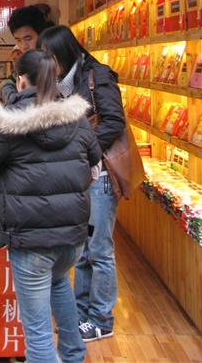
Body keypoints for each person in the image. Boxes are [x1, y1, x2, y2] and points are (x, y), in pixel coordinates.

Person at [0, 49, 101, 363]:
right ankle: (73, 354)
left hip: (31, 239)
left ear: (21, 80)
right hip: (72, 236)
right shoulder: (76, 116)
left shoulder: (7, 120)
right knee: (58, 282)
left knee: (38, 334)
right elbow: (95, 158)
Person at [37, 25, 126, 343]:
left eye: (48, 56)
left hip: (100, 176)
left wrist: (86, 152)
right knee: (84, 250)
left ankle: (102, 318)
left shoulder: (96, 76)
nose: (46, 63)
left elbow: (114, 121)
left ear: (63, 52)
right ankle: (82, 315)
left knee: (99, 249)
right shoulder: (61, 83)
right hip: (79, 175)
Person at [0, 5, 55, 105]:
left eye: (28, 39)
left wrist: (5, 89)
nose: (24, 46)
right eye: (18, 40)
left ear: (41, 34)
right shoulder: (25, 61)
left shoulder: (53, 61)